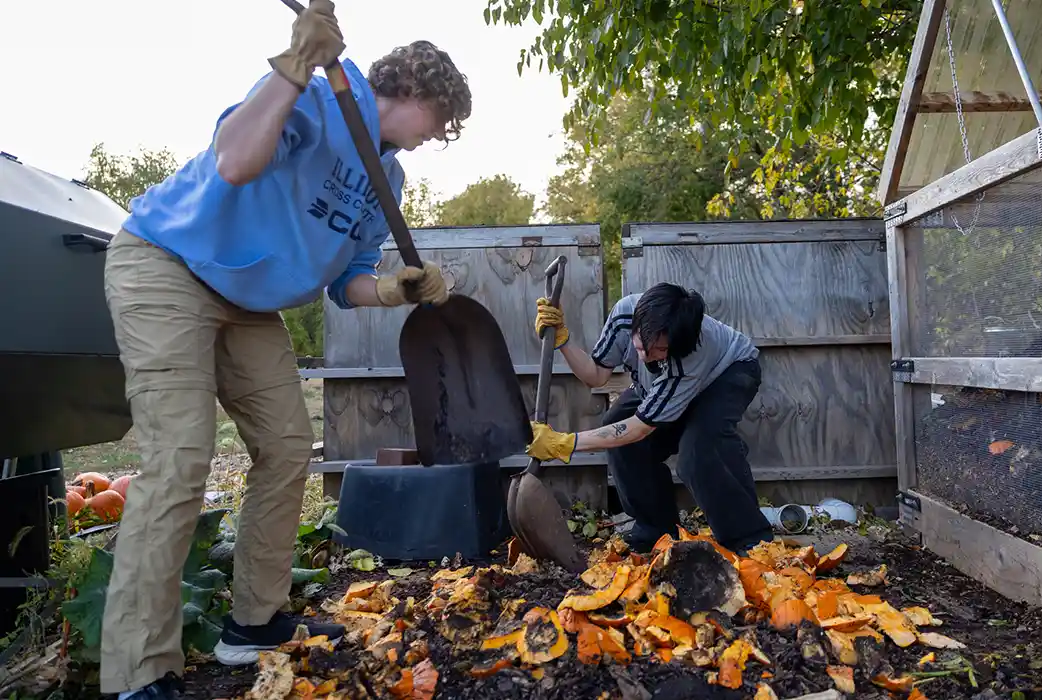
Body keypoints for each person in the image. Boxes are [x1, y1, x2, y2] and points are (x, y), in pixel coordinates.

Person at [97, 2, 471, 697]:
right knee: (179, 457)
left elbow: (351, 280)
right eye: (441, 124)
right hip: (167, 263)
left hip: (249, 303)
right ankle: (137, 672)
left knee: (288, 443)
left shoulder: (388, 179)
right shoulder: (326, 95)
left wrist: (396, 291)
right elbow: (236, 162)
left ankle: (254, 622)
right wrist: (295, 63)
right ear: (420, 94)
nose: (436, 137)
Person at [526, 282, 773, 555]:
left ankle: (750, 540)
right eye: (641, 346)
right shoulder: (625, 316)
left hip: (727, 373)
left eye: (659, 351)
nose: (645, 357)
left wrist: (565, 444)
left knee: (700, 449)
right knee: (617, 426)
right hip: (664, 383)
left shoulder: (690, 357)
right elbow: (596, 375)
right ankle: (655, 529)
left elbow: (640, 428)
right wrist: (563, 340)